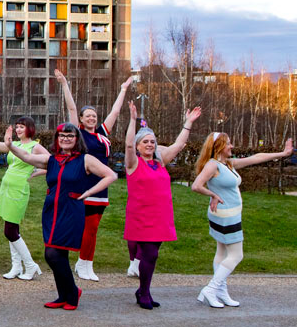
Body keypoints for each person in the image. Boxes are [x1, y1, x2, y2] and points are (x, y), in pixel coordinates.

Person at [4, 123, 117, 310]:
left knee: (53, 254)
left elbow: (110, 175)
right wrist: (10, 145)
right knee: (56, 254)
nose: (65, 138)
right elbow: (27, 156)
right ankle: (63, 295)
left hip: (71, 210)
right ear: (57, 139)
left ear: (76, 138)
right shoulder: (52, 160)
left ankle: (72, 293)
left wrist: (89, 192)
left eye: (70, 135)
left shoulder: (85, 159)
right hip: (51, 210)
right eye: (61, 135)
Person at [191, 133, 292, 308]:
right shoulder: (213, 165)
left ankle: (220, 291)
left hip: (224, 213)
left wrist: (282, 154)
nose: (232, 146)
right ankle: (211, 289)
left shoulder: (228, 164)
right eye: (228, 144)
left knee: (221, 252)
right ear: (219, 147)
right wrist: (212, 194)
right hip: (226, 215)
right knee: (237, 255)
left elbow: (256, 158)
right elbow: (196, 185)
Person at [56, 70, 134, 281]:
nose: (92, 118)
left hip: (102, 185)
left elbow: (115, 113)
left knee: (94, 228)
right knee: (87, 227)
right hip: (84, 184)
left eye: (94, 115)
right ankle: (82, 263)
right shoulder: (78, 133)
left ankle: (85, 263)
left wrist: (123, 90)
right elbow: (71, 107)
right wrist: (64, 84)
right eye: (87, 115)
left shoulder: (101, 134)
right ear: (81, 119)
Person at [124, 103, 201, 309]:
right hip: (141, 216)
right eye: (145, 142)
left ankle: (142, 290)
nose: (149, 145)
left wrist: (188, 123)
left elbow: (178, 144)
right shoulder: (133, 163)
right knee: (151, 254)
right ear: (139, 145)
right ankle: (144, 293)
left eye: (152, 142)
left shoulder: (160, 161)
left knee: (152, 254)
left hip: (161, 216)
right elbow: (128, 146)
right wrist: (132, 120)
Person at [0, 116, 48, 280]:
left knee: (10, 231)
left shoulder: (35, 146)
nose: (18, 130)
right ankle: (16, 266)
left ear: (29, 128)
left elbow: (52, 162)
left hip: (18, 190)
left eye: (21, 127)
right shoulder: (14, 145)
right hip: (6, 188)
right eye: (17, 127)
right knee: (12, 229)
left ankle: (30, 265)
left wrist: (34, 174)